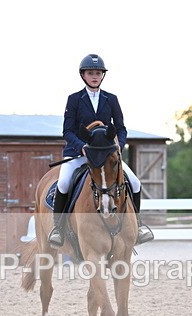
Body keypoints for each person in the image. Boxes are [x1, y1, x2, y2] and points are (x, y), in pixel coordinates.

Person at [48, 53, 153, 248]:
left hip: (107, 156)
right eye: (90, 73)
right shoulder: (74, 99)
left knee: (135, 182)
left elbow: (121, 128)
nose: (94, 76)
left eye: (98, 73)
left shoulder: (111, 99)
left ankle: (138, 225)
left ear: (102, 75)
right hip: (79, 154)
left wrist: (118, 146)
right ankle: (59, 229)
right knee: (63, 183)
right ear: (83, 75)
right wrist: (81, 147)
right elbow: (67, 131)